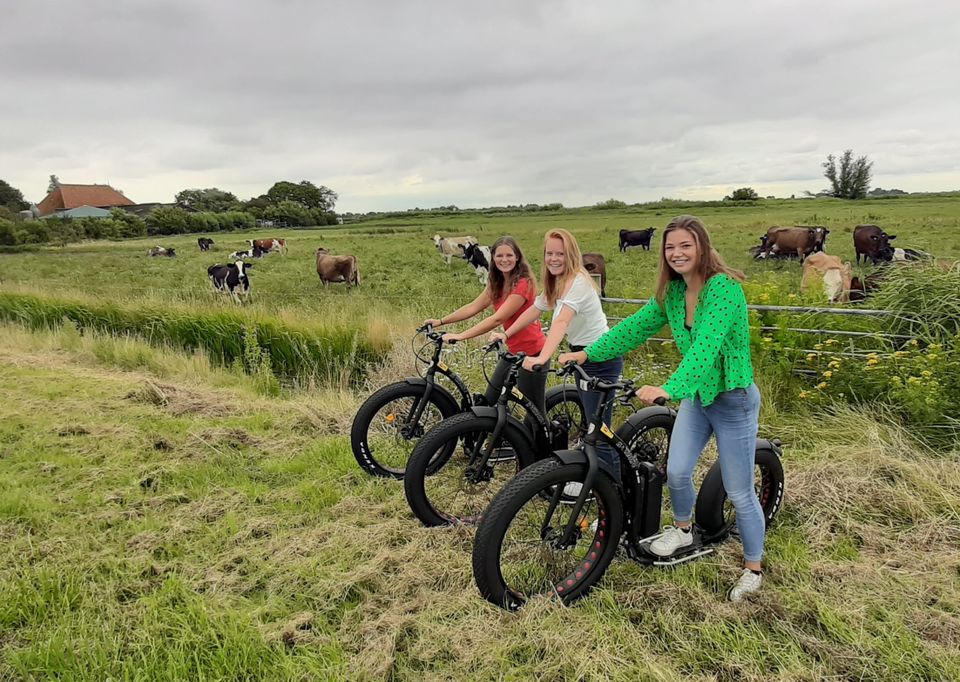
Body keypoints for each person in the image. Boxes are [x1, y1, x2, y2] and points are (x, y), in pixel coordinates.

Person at [559, 215, 765, 602]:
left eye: (685, 245)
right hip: (697, 398)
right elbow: (634, 327)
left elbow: (705, 348)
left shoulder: (723, 289)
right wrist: (588, 353)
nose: (677, 253)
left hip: (732, 400)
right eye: (670, 247)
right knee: (677, 472)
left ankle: (753, 568)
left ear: (702, 247)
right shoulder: (673, 292)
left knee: (739, 491)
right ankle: (683, 530)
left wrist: (670, 388)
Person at [491, 228, 624, 482]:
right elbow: (535, 309)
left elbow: (561, 321)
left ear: (571, 254)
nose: (553, 259)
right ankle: (598, 480)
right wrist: (506, 334)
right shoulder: (557, 281)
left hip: (601, 358)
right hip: (582, 355)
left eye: (560, 254)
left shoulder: (579, 282)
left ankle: (613, 490)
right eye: (549, 253)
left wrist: (542, 358)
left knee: (599, 431)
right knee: (593, 426)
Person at [424, 236, 549, 422]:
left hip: (533, 352)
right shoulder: (497, 281)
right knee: (489, 400)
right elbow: (473, 307)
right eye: (499, 255)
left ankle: (546, 440)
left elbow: (497, 319)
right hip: (512, 351)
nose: (504, 260)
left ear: (517, 257)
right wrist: (440, 321)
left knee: (534, 412)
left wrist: (461, 336)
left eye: (509, 255)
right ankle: (500, 435)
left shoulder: (524, 283)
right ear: (493, 257)